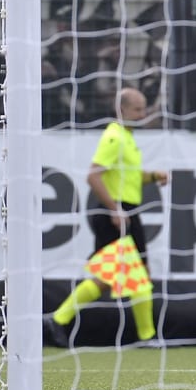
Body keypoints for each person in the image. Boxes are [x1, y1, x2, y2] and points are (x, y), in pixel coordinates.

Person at [48, 87, 169, 346]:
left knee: (129, 276)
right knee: (115, 277)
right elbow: (93, 175)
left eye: (144, 108)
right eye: (137, 109)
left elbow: (129, 178)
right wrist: (115, 208)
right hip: (115, 214)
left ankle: (146, 337)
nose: (143, 114)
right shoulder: (114, 137)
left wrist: (153, 176)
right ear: (121, 109)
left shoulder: (128, 137)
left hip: (128, 213)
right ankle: (59, 319)